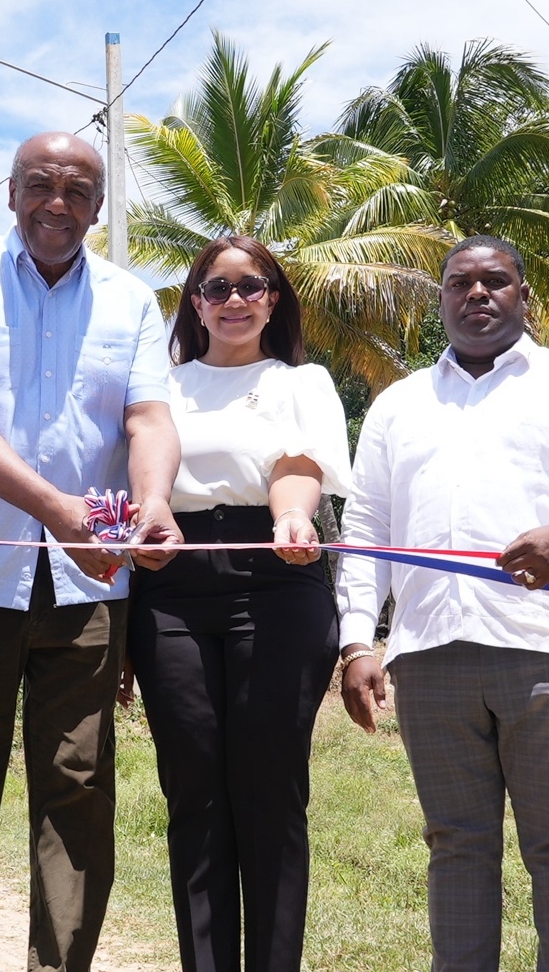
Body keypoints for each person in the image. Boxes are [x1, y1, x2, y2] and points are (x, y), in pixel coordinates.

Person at [0, 130, 184, 972]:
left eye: (75, 190)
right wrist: (58, 509)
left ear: (98, 208)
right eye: (38, 185)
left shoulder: (131, 300)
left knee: (77, 799)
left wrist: (156, 502)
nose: (55, 203)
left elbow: (147, 419)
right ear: (11, 190)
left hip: (89, 591)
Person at [338, 235, 549, 972]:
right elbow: (365, 529)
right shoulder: (398, 405)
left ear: (524, 297)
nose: (476, 294)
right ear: (441, 298)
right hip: (429, 657)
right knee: (455, 844)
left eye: (494, 281)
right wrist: (358, 640)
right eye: (459, 283)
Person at [126, 235, 347, 972]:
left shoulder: (301, 382)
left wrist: (292, 517)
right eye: (215, 289)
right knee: (193, 791)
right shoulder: (159, 386)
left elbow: (295, 465)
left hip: (277, 576)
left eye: (249, 286)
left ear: (272, 299)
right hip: (171, 585)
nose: (232, 301)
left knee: (268, 790)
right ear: (194, 303)